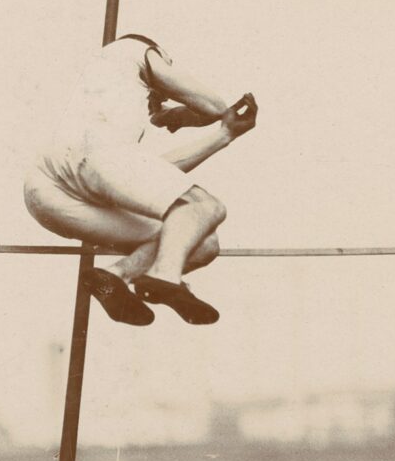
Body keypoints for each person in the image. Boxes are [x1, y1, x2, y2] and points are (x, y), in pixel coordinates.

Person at [23, 31, 258, 328]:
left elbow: (155, 175)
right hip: (81, 157)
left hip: (46, 196)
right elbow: (213, 106)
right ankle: (164, 278)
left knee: (199, 238)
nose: (155, 102)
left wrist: (224, 136)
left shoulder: (112, 120)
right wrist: (177, 114)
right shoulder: (135, 49)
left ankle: (114, 276)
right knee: (206, 205)